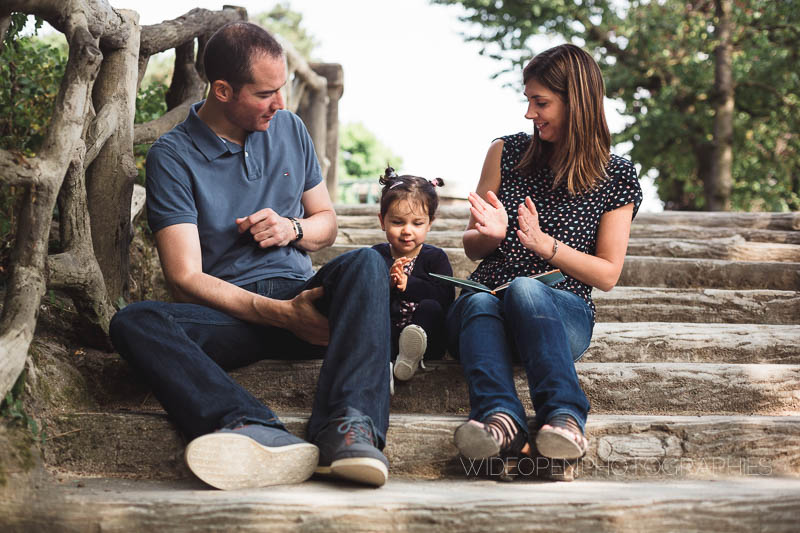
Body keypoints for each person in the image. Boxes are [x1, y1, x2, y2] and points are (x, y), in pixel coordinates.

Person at [109, 22, 392, 490]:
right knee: (134, 322)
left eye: (281, 89)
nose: (279, 103)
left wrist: (292, 228)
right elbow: (184, 278)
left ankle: (348, 428)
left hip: (305, 302)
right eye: (265, 93)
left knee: (367, 261)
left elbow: (326, 223)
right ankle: (250, 427)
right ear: (222, 90)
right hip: (230, 317)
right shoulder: (172, 156)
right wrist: (281, 315)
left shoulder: (290, 128)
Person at [447, 44, 642, 473]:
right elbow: (472, 245)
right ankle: (501, 420)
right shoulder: (505, 151)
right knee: (477, 301)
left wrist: (545, 246)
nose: (529, 113)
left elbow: (607, 274)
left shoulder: (617, 176)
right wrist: (490, 236)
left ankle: (565, 419)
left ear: (577, 103)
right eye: (528, 100)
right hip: (487, 309)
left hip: (561, 314)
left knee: (525, 289)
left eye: (541, 102)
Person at [370, 168, 454, 388]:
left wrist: (409, 284)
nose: (407, 230)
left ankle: (410, 356)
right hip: (388, 334)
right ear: (382, 221)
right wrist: (388, 284)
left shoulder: (435, 257)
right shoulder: (376, 256)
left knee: (430, 307)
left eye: (417, 223)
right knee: (377, 313)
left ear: (430, 223)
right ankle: (387, 362)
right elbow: (366, 298)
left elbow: (445, 299)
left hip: (426, 338)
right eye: (398, 222)